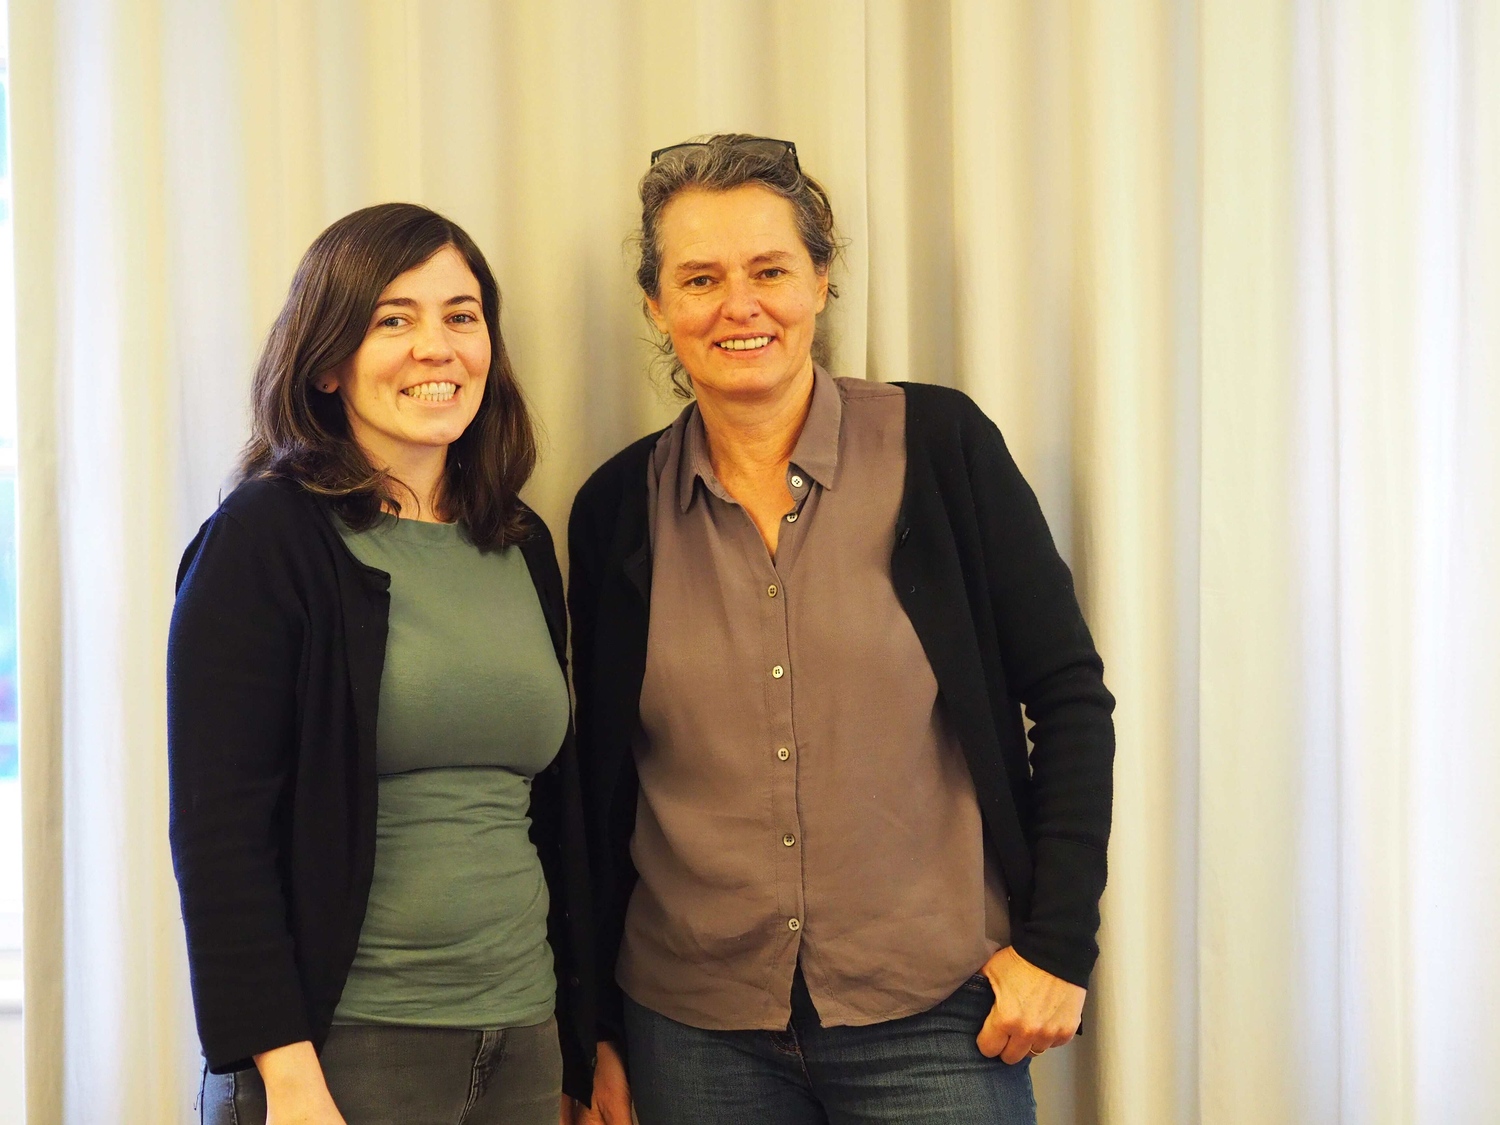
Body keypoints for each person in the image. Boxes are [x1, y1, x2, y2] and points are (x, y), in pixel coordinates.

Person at [566, 135, 1115, 1125]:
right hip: (692, 1032)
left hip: (938, 1014)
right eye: (700, 279)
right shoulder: (615, 511)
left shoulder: (939, 449)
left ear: (821, 281)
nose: (739, 305)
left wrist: (1059, 946)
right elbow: (600, 791)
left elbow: (1069, 697)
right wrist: (595, 1027)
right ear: (656, 305)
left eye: (770, 270)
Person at [168, 203, 594, 1125]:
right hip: (341, 1048)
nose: (437, 346)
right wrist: (286, 1076)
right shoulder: (264, 538)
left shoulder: (521, 541)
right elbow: (218, 833)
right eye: (393, 319)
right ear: (327, 362)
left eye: (461, 315)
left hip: (522, 1037)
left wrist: (575, 1035)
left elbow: (553, 813)